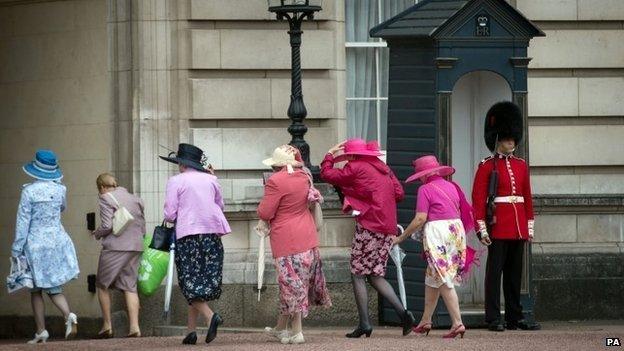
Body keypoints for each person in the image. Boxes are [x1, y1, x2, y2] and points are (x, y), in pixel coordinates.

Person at [320, 138, 415, 338]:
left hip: (369, 226)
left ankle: (365, 323)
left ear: (352, 155)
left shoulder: (354, 167)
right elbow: (399, 193)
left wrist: (329, 155)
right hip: (387, 227)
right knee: (374, 275)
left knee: (357, 273)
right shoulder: (383, 167)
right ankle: (404, 315)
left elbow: (327, 174)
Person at [472, 101, 540, 332]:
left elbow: (527, 197)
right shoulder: (486, 166)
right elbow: (478, 199)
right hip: (498, 225)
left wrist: (529, 225)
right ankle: (493, 317)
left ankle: (514, 316)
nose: (512, 142)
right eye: (507, 138)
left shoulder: (521, 166)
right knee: (495, 274)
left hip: (518, 225)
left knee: (514, 275)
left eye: (513, 139)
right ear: (498, 139)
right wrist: (481, 228)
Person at [258, 145, 332, 345]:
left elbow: (265, 212)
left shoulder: (275, 181)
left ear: (278, 165)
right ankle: (280, 328)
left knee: (291, 285)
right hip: (307, 236)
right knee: (294, 284)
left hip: (286, 239)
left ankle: (297, 331)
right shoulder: (305, 177)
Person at [394, 155, 474, 339]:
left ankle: (457, 322)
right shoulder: (452, 186)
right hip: (455, 229)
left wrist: (402, 237)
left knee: (444, 277)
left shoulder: (425, 189)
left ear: (423, 175)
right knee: (433, 277)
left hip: (438, 232)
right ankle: (426, 320)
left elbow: (421, 218)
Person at [160, 143, 231, 345]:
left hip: (188, 234)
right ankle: (191, 331)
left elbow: (170, 213)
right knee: (200, 281)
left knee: (189, 281)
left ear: (182, 163)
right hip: (211, 235)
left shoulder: (176, 181)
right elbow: (220, 205)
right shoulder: (211, 179)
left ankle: (210, 317)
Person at [11, 150, 80, 344]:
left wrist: (17, 248)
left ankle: (50, 325)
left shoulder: (28, 191)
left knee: (35, 289)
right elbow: (62, 208)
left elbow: (23, 221)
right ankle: (61, 320)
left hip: (35, 243)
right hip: (57, 239)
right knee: (53, 285)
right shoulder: (60, 190)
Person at [92, 173, 146, 338]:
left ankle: (107, 325)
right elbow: (142, 226)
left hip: (116, 247)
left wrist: (97, 233)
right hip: (136, 246)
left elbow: (108, 225)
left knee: (102, 285)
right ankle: (135, 327)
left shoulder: (105, 198)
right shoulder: (136, 199)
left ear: (101, 187)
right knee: (130, 286)